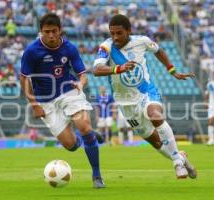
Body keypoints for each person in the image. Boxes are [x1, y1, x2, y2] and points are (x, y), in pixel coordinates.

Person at [93, 14, 197, 179]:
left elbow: (159, 51)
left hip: (146, 92)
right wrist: (118, 69)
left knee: (155, 116)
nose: (115, 37)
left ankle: (177, 162)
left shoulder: (141, 41)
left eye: (119, 33)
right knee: (156, 142)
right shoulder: (106, 47)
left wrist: (172, 70)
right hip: (125, 102)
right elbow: (97, 69)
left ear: (128, 30)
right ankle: (181, 157)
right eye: (112, 33)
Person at [20, 13, 105, 188]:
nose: (50, 35)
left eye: (54, 31)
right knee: (71, 145)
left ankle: (97, 175)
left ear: (60, 30)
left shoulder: (69, 48)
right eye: (46, 32)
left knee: (84, 127)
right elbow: (24, 79)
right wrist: (34, 105)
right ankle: (89, 137)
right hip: (46, 102)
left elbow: (82, 75)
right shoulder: (31, 51)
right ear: (41, 32)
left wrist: (80, 84)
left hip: (69, 92)